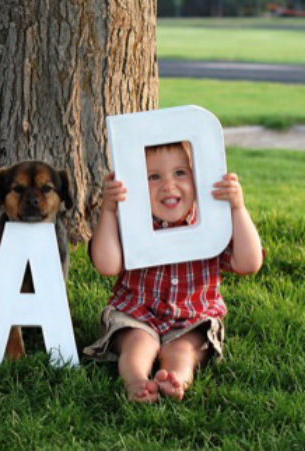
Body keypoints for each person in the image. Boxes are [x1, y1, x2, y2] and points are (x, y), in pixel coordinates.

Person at [84, 141, 263, 403]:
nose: (168, 185)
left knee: (184, 349)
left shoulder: (210, 223)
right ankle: (136, 381)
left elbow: (249, 263)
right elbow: (107, 265)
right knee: (137, 342)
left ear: (199, 176)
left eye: (180, 173)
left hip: (192, 317)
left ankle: (176, 379)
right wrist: (109, 210)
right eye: (153, 177)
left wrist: (237, 208)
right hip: (137, 312)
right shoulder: (132, 222)